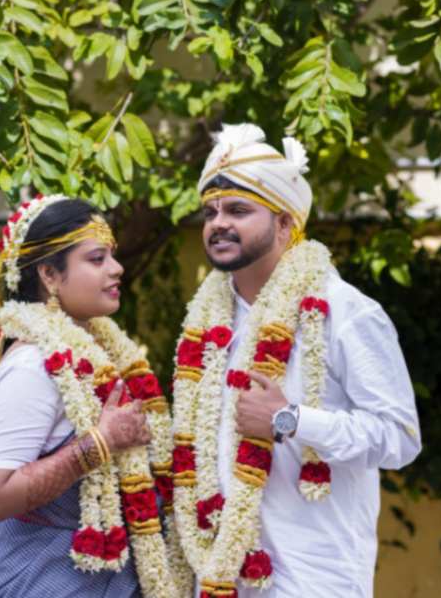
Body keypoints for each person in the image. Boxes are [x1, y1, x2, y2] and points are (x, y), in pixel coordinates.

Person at [170, 124, 421, 598]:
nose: (218, 222)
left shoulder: (345, 312)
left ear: (285, 224)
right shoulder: (204, 325)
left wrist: (291, 420)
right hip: (219, 580)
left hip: (313, 578)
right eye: (210, 212)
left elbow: (400, 437)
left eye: (238, 210)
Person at [0, 195, 191, 598]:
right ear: (48, 274)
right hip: (33, 578)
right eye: (97, 259)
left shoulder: (97, 352)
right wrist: (102, 443)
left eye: (112, 256)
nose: (117, 269)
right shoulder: (33, 365)